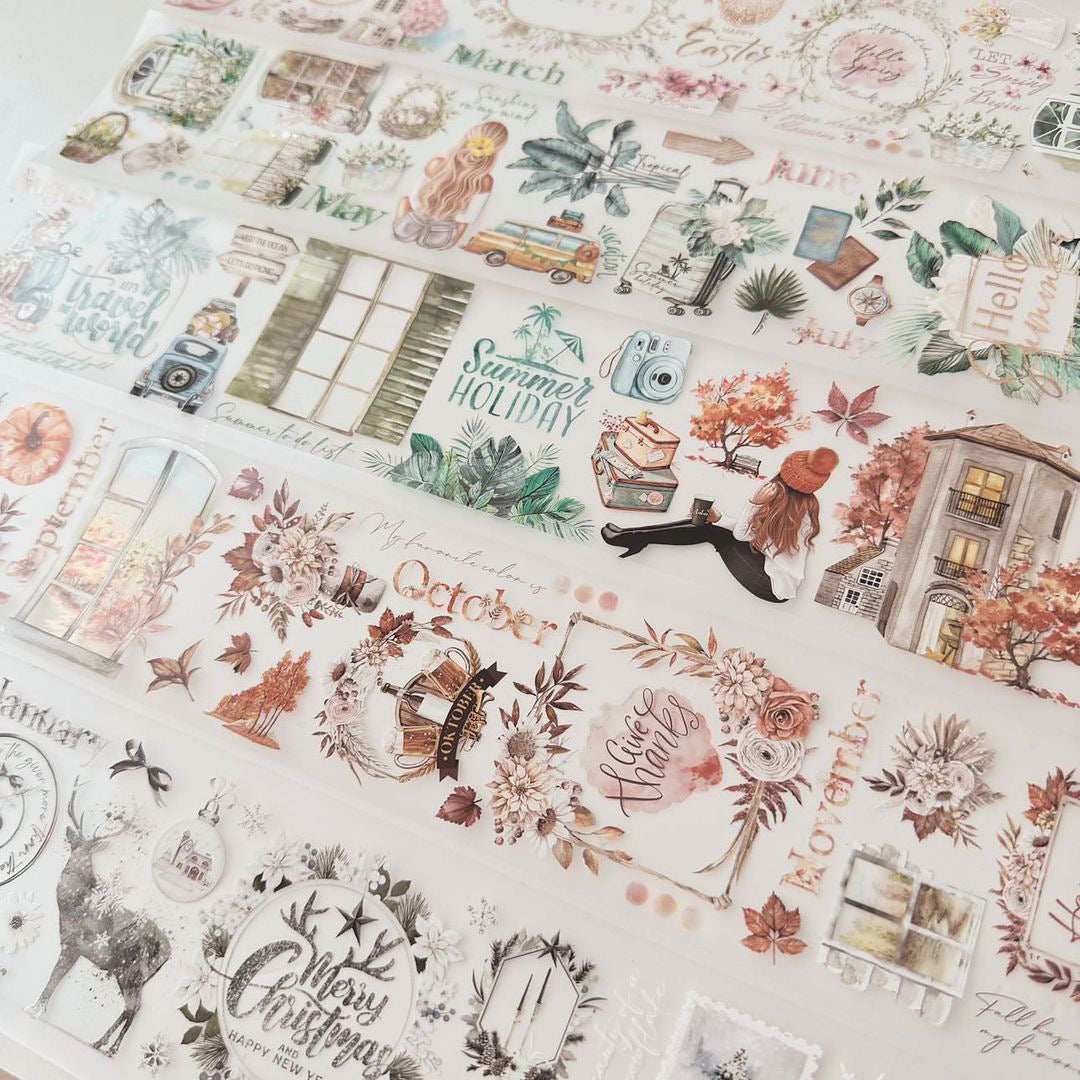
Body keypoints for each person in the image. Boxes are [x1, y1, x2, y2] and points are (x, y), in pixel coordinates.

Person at [601, 446, 839, 603]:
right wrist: (719, 518)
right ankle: (633, 536)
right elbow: (756, 535)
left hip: (772, 586)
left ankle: (634, 537)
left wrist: (754, 504)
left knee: (712, 532)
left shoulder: (798, 516)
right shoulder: (797, 506)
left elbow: (742, 536)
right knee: (710, 526)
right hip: (768, 568)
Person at [392, 122, 508, 251]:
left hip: (407, 229)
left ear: (467, 138)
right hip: (441, 238)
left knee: (405, 200)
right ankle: (441, 244)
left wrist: (430, 211)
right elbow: (469, 218)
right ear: (496, 150)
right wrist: (446, 214)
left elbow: (414, 199)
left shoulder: (436, 163)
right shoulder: (486, 180)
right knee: (463, 223)